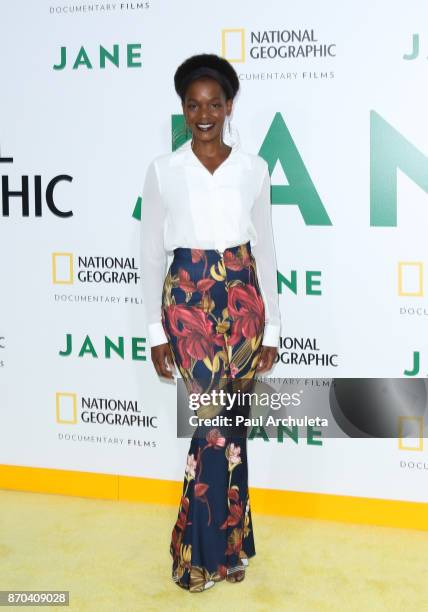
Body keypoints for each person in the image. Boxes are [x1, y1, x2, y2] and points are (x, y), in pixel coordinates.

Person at [140, 53, 281, 593]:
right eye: (194, 104)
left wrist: (273, 330)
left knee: (234, 429)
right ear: (182, 108)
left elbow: (266, 251)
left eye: (214, 104)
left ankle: (231, 545)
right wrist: (155, 332)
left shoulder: (254, 169)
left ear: (228, 107)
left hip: (244, 298)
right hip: (189, 301)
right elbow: (152, 256)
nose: (204, 114)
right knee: (211, 426)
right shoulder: (163, 170)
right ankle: (197, 552)